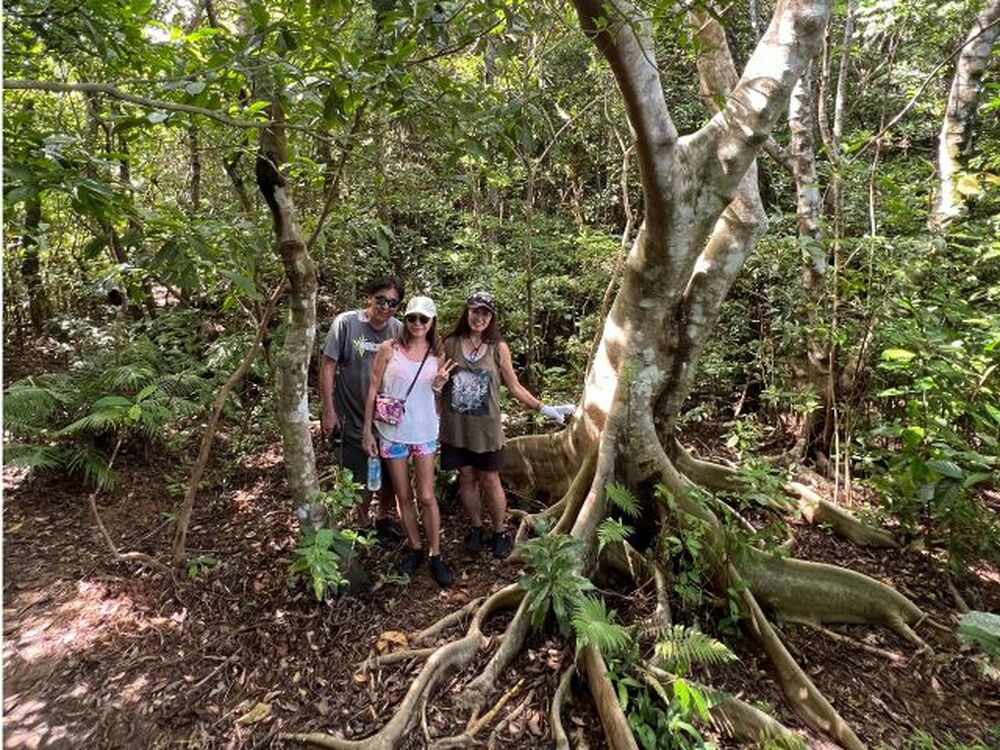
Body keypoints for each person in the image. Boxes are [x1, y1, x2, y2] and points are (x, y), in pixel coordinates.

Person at [439, 291, 573, 560]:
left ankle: (499, 531)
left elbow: (514, 386)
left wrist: (544, 408)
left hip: (486, 429)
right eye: (475, 311)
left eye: (485, 313)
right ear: (467, 312)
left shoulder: (498, 347)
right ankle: (476, 527)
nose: (479, 318)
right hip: (456, 428)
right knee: (466, 477)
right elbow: (436, 380)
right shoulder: (451, 343)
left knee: (490, 479)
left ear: (491, 318)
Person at [362, 296, 457, 587]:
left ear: (432, 322)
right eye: (412, 318)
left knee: (426, 496)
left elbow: (436, 394)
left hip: (424, 431)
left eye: (423, 319)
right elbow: (373, 389)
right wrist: (367, 430)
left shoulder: (437, 352)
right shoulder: (388, 348)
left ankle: (435, 553)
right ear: (406, 319)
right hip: (392, 432)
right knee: (403, 495)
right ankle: (415, 547)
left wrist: (439, 385)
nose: (417, 323)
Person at [320, 276, 405, 544]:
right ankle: (361, 521)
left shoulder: (399, 330)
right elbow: (328, 366)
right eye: (381, 300)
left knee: (390, 475)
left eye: (392, 303)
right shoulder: (346, 323)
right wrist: (329, 410)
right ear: (370, 297)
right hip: (350, 415)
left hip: (387, 418)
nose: (385, 307)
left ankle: (382, 517)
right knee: (359, 474)